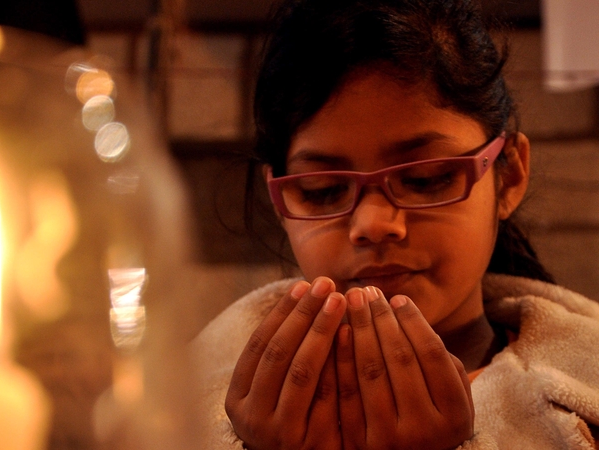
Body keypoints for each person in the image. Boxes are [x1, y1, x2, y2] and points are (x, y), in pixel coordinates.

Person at [189, 0, 599, 448]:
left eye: (425, 179)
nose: (373, 223)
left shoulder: (583, 403)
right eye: (324, 189)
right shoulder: (187, 406)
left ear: (510, 175)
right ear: (280, 199)